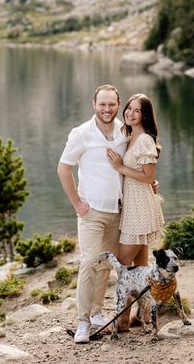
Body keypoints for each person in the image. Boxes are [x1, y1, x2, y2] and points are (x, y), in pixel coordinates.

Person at [57, 84, 127, 344]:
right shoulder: (82, 133)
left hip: (118, 211)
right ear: (94, 104)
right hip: (92, 212)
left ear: (118, 105)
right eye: (102, 104)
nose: (107, 109)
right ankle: (83, 322)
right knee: (88, 263)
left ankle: (98, 313)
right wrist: (77, 203)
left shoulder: (124, 131)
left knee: (106, 264)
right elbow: (63, 169)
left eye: (111, 104)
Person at [107, 92, 165, 267]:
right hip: (132, 206)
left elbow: (150, 177)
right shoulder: (130, 136)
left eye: (137, 111)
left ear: (144, 115)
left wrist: (121, 168)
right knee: (140, 266)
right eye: (129, 108)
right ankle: (145, 295)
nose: (130, 113)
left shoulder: (145, 140)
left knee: (123, 261)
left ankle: (137, 295)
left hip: (140, 208)